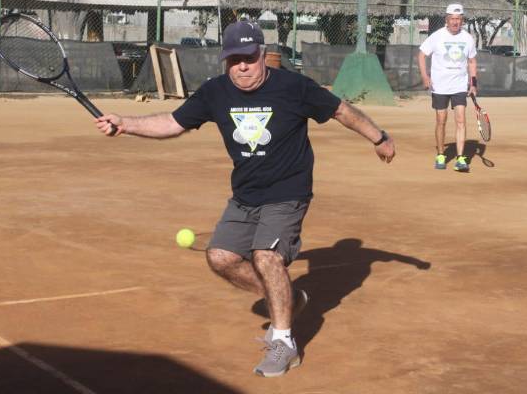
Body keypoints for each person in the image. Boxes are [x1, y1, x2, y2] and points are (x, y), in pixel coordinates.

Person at [96, 20, 395, 377]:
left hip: (288, 190)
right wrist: (126, 124)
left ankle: (283, 343)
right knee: (220, 257)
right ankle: (290, 299)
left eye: (248, 59)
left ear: (262, 56)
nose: (241, 67)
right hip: (246, 194)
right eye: (233, 59)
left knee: (267, 257)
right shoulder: (216, 92)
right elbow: (173, 123)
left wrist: (379, 138)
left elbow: (341, 111)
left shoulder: (294, 87)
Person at [417, 3, 477, 172]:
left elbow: (472, 62)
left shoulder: (467, 38)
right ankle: (441, 154)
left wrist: (473, 83)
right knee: (441, 120)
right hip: (440, 86)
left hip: (459, 85)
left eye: (458, 19)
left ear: (462, 20)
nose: (455, 22)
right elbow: (421, 55)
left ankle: (460, 158)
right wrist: (425, 76)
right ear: (447, 19)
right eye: (452, 19)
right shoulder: (437, 36)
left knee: (460, 120)